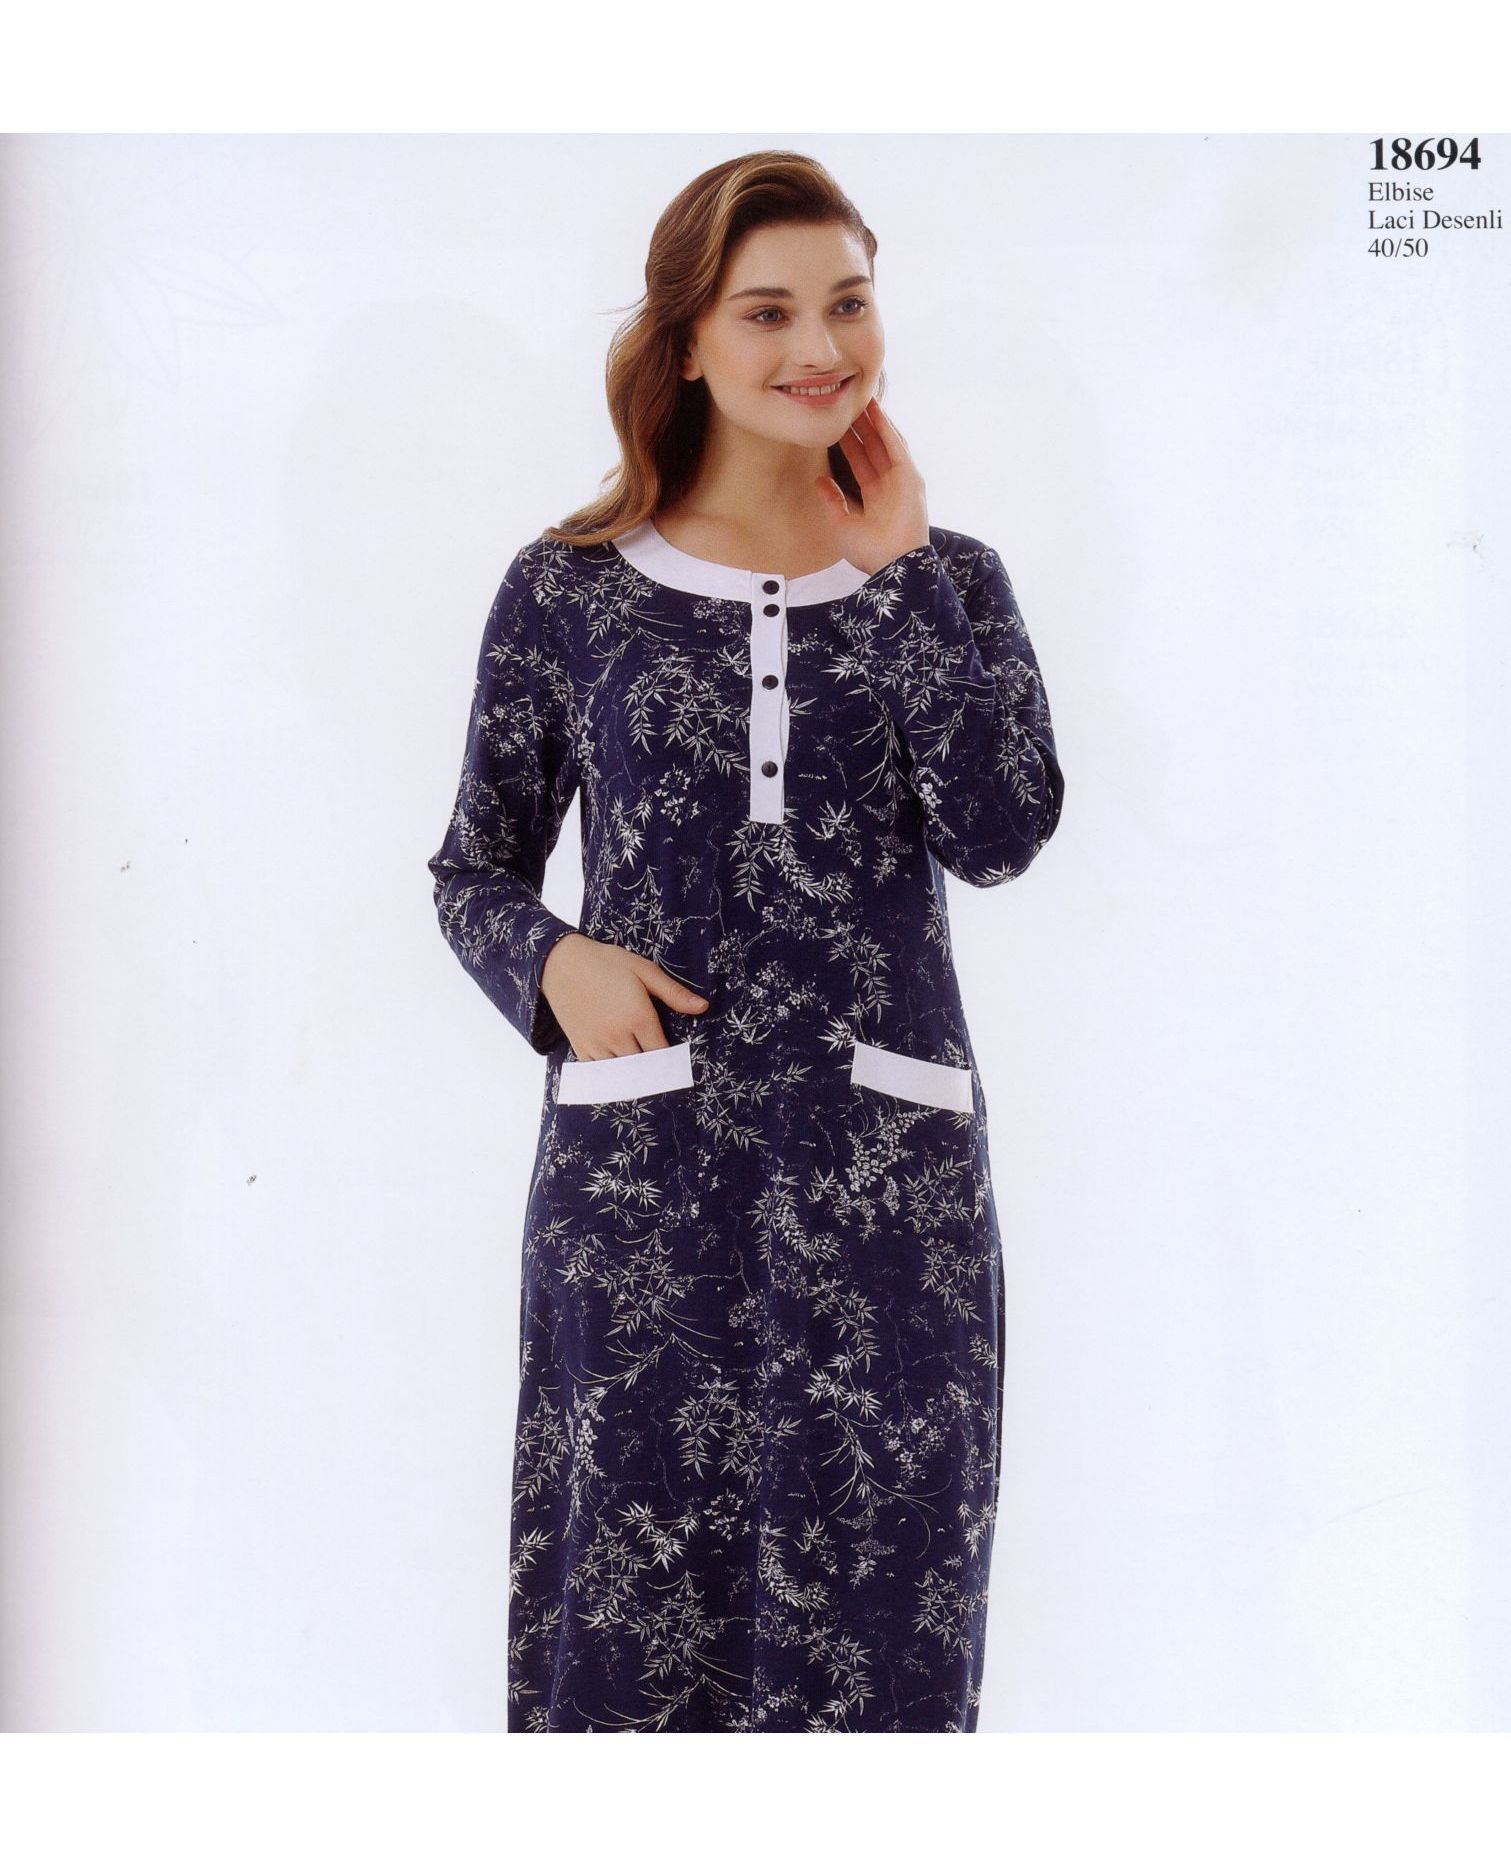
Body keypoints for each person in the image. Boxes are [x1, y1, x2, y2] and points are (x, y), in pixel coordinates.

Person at [427, 150, 1066, 1732]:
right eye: (769, 311)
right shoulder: (568, 591)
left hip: (890, 1205)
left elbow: (1001, 832)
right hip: (645, 1199)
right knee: (629, 1638)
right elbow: (473, 867)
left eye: (849, 304)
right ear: (690, 341)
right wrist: (554, 962)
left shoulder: (953, 582)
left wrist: (898, 577)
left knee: (885, 1641)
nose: (820, 347)